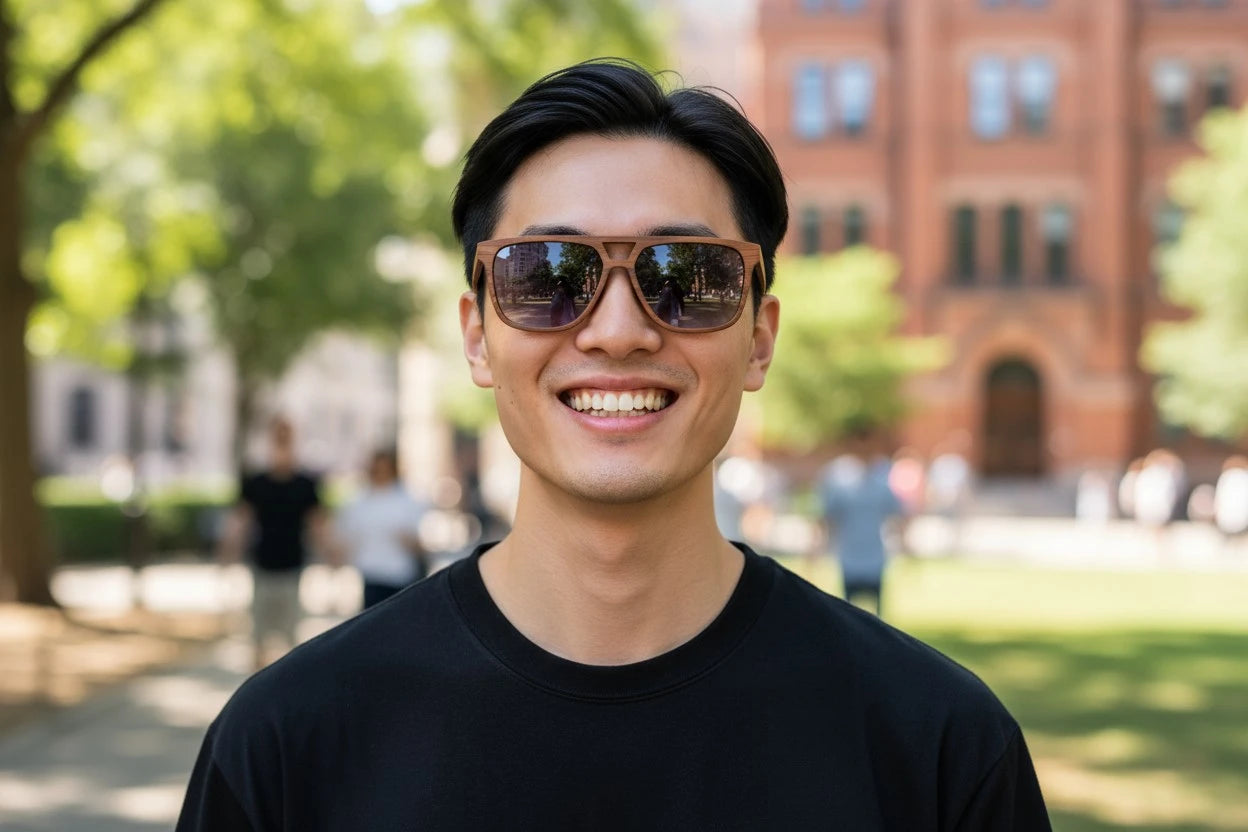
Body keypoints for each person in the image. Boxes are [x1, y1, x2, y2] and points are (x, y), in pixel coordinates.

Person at [179, 59, 1050, 830]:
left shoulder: (939, 752)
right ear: (477, 336)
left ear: (758, 338)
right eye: (549, 273)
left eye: (689, 277)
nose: (620, 330)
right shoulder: (286, 750)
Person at [216, 416, 326, 672]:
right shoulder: (256, 482)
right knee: (258, 635)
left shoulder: (305, 484)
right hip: (262, 565)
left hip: (293, 566)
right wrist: (227, 553)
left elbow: (319, 523)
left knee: (290, 634)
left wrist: (333, 556)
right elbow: (240, 521)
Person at [818, 431, 904, 617]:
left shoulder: (883, 475)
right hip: (849, 556)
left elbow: (896, 512)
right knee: (849, 615)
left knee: (879, 618)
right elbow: (828, 517)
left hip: (875, 556)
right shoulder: (838, 476)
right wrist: (817, 549)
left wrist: (904, 543)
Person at [333, 447, 430, 609]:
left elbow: (421, 543)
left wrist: (410, 542)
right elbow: (346, 538)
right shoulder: (359, 502)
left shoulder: (408, 500)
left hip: (400, 574)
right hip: (370, 574)